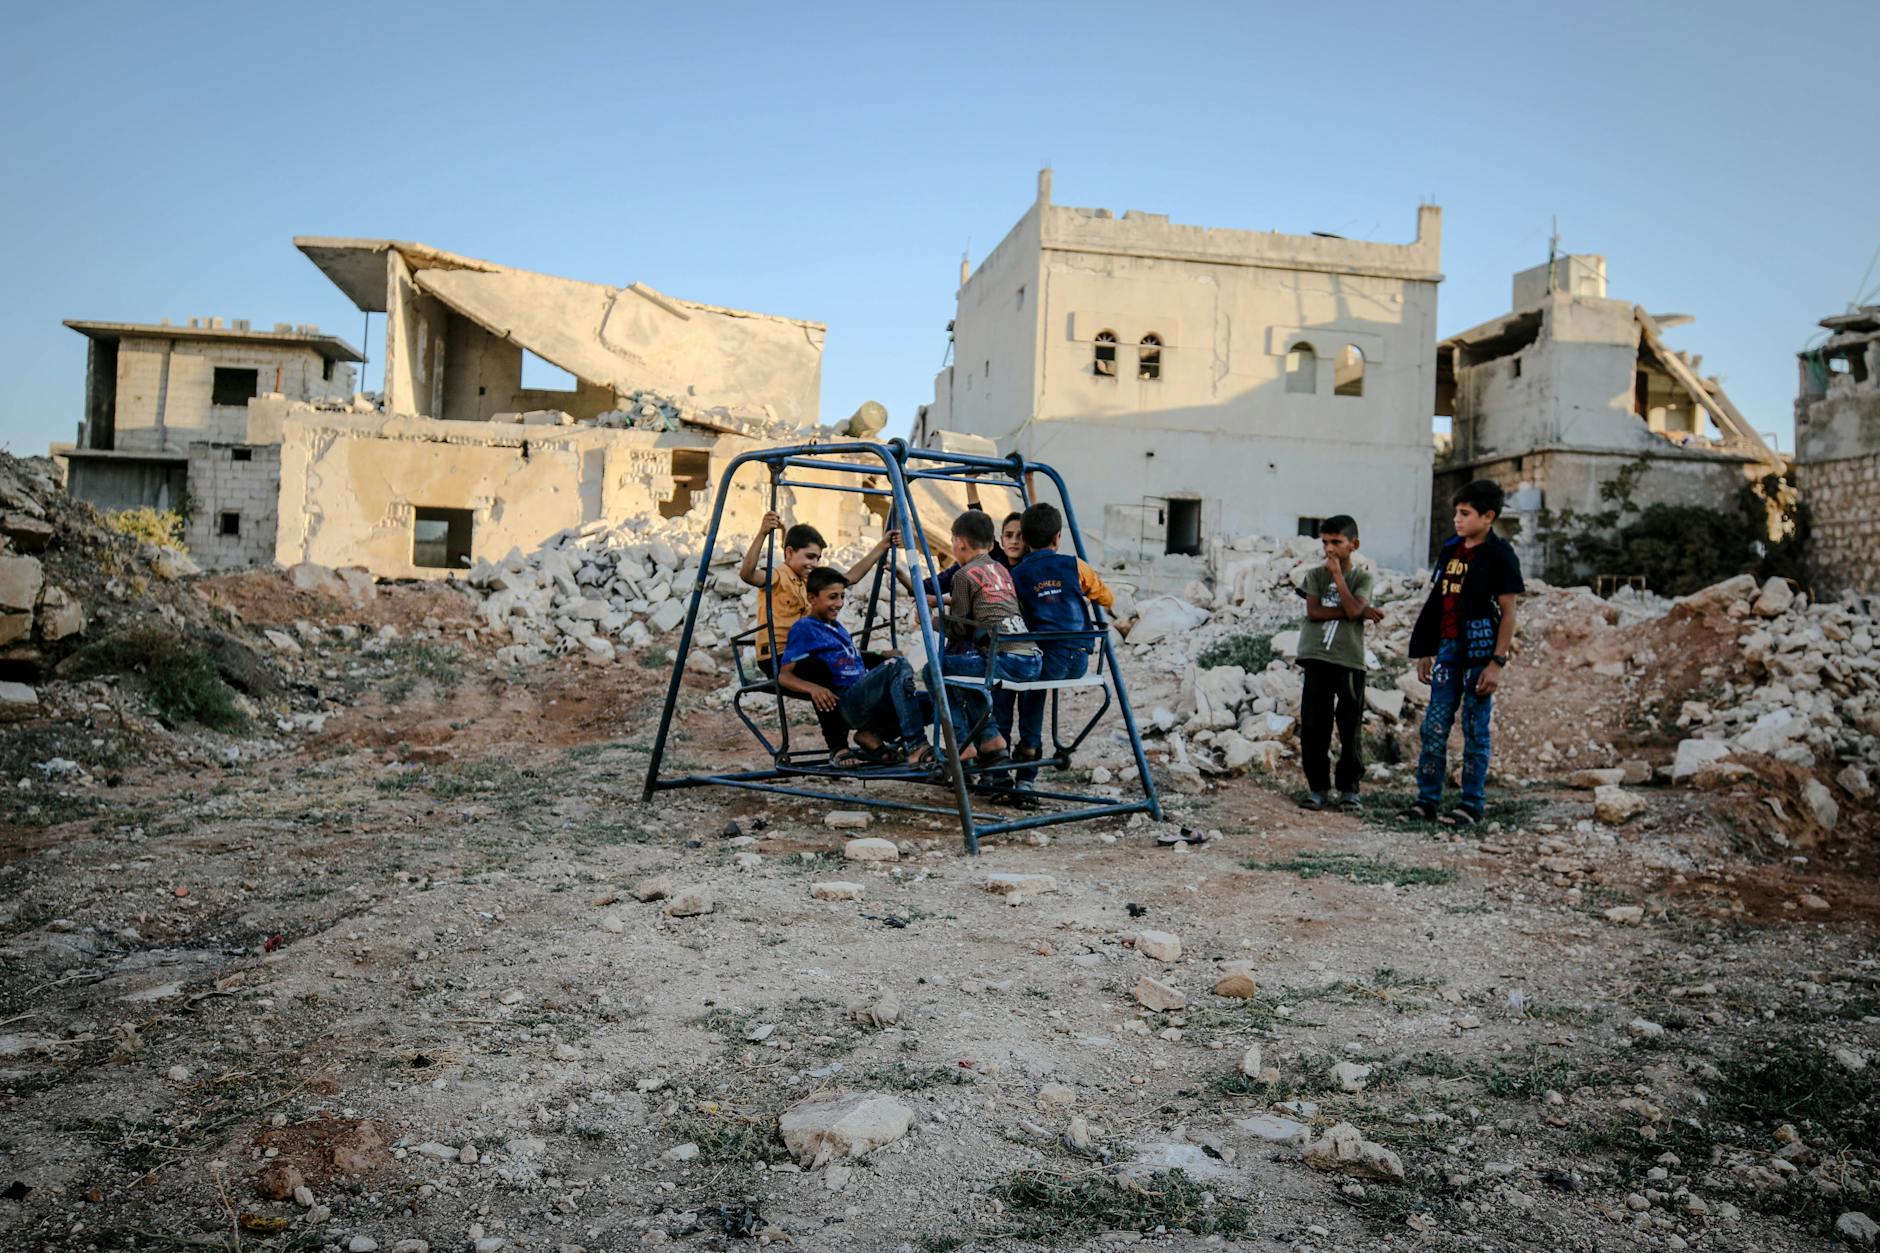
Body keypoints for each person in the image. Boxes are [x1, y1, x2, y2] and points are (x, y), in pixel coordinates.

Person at [1402, 480, 1525, 827]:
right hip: (1447, 649)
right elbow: (1438, 602)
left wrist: (1496, 662)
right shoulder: (1451, 550)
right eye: (1456, 512)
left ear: (1488, 517)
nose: (1457, 519)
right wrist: (1426, 648)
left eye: (1465, 513)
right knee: (1435, 726)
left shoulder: (1500, 556)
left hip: (1479, 652)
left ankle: (1471, 804)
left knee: (1475, 728)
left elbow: (1509, 612)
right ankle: (1426, 801)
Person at [738, 512, 898, 754]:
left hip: (812, 653)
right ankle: (838, 746)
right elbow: (748, 574)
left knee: (881, 663)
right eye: (809, 557)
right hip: (780, 658)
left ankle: (873, 731)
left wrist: (882, 546)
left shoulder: (810, 582)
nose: (813, 563)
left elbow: (849, 577)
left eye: (818, 558)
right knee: (824, 673)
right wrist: (763, 533)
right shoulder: (778, 576)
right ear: (789, 552)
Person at [776, 569, 931, 765]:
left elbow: (850, 657)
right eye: (832, 597)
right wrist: (813, 688)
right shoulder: (804, 628)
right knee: (896, 665)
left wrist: (880, 655)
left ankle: (871, 734)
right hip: (848, 701)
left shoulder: (837, 627)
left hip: (866, 697)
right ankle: (917, 745)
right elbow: (784, 676)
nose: (839, 603)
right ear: (812, 598)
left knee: (932, 701)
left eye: (842, 596)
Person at [924, 510, 1042, 763]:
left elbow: (958, 629)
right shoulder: (1000, 569)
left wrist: (930, 619)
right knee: (966, 674)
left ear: (959, 542)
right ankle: (991, 740)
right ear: (990, 543)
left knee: (933, 669)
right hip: (1032, 657)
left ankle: (962, 742)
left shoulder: (962, 575)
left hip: (1005, 659)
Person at [1008, 502, 1110, 785]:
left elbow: (1011, 615)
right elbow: (1106, 597)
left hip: (1047, 661)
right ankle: (1027, 760)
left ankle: (1024, 753)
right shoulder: (1074, 565)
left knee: (1028, 685)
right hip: (1080, 660)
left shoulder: (1016, 576)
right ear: (1057, 538)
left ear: (1024, 541)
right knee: (1036, 681)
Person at [1296, 515, 1385, 812]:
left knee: (1349, 728)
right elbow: (1314, 613)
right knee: (1314, 727)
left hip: (1348, 662)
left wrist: (1341, 583)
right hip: (1316, 658)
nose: (1329, 549)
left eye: (1337, 542)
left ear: (1353, 544)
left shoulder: (1362, 578)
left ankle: (1349, 789)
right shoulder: (1314, 576)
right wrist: (1358, 611)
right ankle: (1318, 788)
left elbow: (1351, 607)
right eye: (1325, 542)